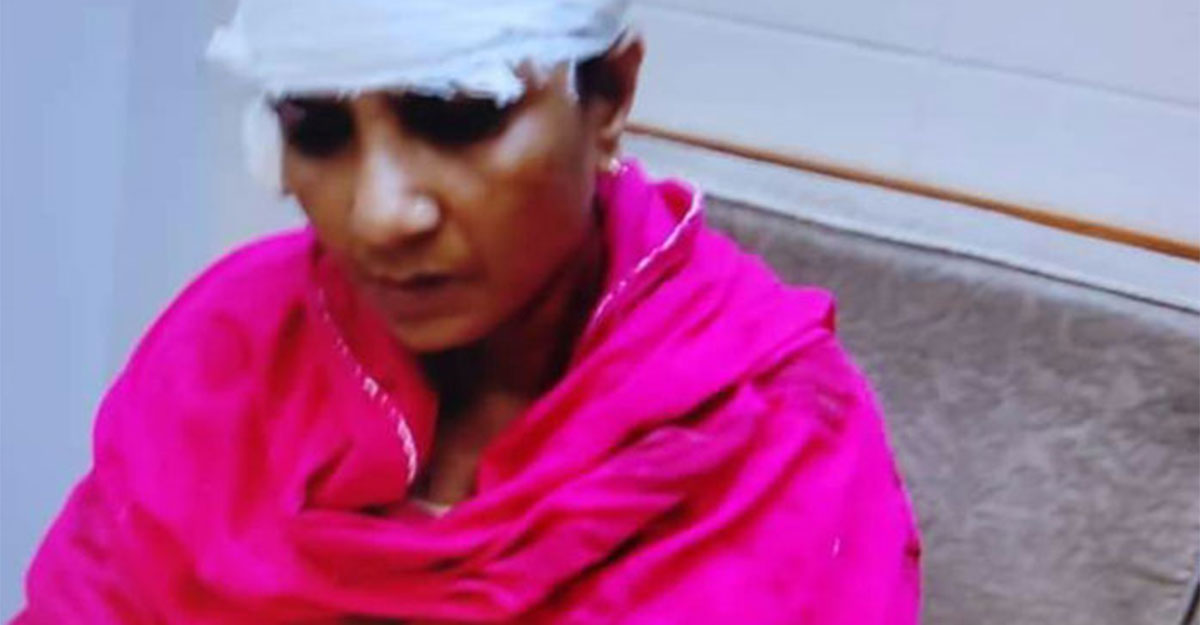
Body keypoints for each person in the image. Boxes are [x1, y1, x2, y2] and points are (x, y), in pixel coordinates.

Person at [15, 1, 920, 623]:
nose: (381, 213)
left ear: (607, 96)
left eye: (455, 118)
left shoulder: (773, 429)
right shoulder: (232, 350)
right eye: (318, 132)